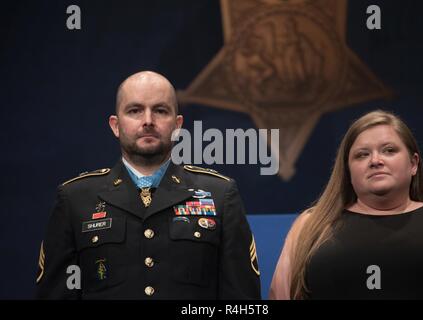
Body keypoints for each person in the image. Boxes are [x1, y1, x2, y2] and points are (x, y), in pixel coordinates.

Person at [36, 71, 261, 299]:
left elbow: (242, 301)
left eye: (160, 111)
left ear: (178, 124)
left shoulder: (219, 194)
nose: (148, 121)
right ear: (115, 125)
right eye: (135, 111)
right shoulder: (75, 199)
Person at [270, 110, 423, 300]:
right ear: (348, 170)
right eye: (362, 155)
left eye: (389, 150)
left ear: (413, 164)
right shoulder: (312, 225)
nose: (375, 161)